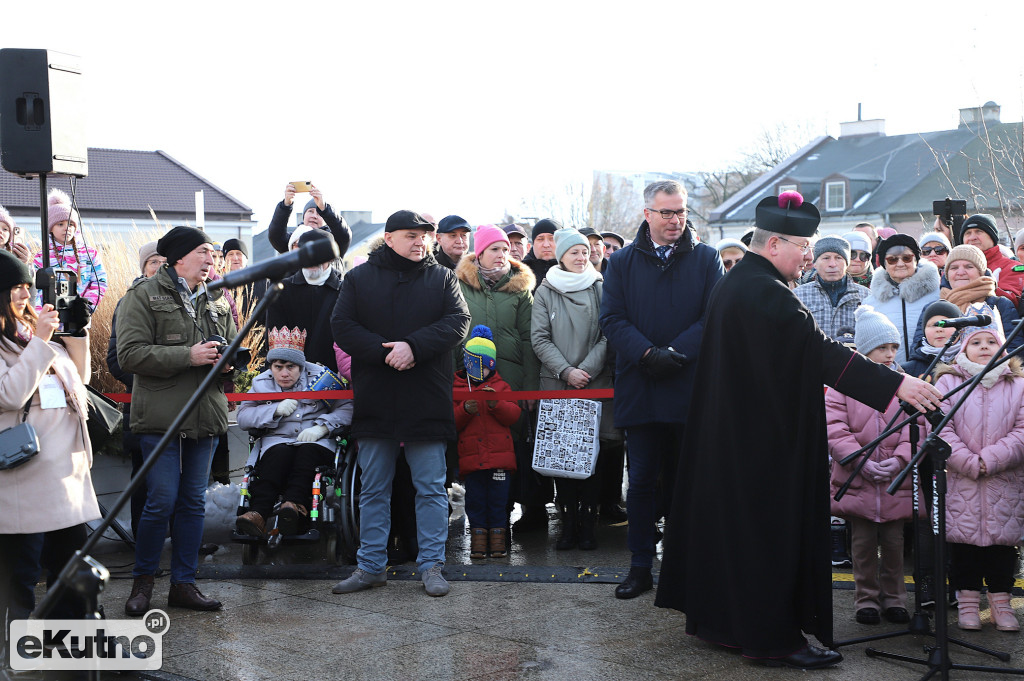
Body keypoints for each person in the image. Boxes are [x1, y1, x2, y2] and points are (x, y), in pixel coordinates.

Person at [655, 191, 943, 669]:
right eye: (803, 246)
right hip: (762, 445)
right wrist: (898, 385)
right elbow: (817, 350)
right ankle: (772, 640)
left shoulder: (741, 282)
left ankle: (729, 626)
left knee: (735, 537)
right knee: (767, 538)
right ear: (773, 245)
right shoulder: (763, 290)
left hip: (736, 439)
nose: (809, 256)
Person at [331, 210, 470, 598]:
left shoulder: (442, 277)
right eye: (411, 235)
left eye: (424, 236)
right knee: (374, 488)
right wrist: (384, 352)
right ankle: (371, 566)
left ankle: (432, 566)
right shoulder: (358, 278)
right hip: (378, 397)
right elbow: (341, 326)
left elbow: (459, 321)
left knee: (430, 488)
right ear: (389, 238)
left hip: (426, 396)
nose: (420, 242)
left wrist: (414, 347)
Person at [600, 179, 723, 598]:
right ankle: (639, 566)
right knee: (641, 482)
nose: (676, 220)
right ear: (648, 214)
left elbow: (713, 317)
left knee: (690, 481)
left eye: (682, 211)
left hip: (689, 385)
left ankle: (687, 563)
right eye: (667, 212)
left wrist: (676, 353)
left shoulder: (707, 260)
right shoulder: (621, 263)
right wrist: (649, 355)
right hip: (642, 384)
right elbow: (612, 319)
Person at [116, 226, 236, 616]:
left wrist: (229, 363)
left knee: (192, 504)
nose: (211, 258)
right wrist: (188, 356)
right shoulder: (142, 295)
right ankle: (143, 584)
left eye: (212, 252)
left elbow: (228, 344)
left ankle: (185, 584)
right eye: (204, 251)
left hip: (206, 414)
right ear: (180, 257)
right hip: (162, 418)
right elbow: (130, 355)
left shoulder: (217, 298)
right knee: (161, 500)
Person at [0, 250, 100, 637]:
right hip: (24, 474)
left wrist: (75, 334)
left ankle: (72, 644)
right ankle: (15, 646)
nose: (25, 295)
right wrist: (42, 340)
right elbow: (10, 395)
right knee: (17, 571)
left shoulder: (31, 330)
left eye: (27, 287)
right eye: (15, 288)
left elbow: (81, 379)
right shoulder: (30, 337)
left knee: (72, 564)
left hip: (64, 472)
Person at [934, 310, 1024, 632]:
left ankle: (1002, 603)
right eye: (977, 342)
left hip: (1005, 482)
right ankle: (968, 602)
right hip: (962, 481)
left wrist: (990, 460)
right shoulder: (948, 382)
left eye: (991, 341)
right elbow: (940, 429)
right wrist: (969, 462)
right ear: (963, 348)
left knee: (1002, 547)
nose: (985, 347)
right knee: (964, 548)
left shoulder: (1018, 385)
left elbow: (1022, 431)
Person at [828, 306, 914, 626]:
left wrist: (901, 458)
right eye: (882, 348)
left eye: (894, 347)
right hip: (859, 482)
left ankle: (895, 598)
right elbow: (834, 428)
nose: (890, 354)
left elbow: (915, 428)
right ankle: (866, 599)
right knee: (862, 547)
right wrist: (860, 460)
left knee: (894, 546)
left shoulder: (907, 383)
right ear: (865, 351)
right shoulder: (843, 387)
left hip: (895, 482)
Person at [453, 225, 542, 535]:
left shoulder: (520, 289)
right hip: (469, 382)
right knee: (477, 450)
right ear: (480, 253)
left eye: (505, 249)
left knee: (508, 451)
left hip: (511, 381)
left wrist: (530, 388)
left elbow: (531, 340)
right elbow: (454, 335)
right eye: (495, 249)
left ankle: (502, 522)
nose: (503, 255)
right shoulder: (461, 286)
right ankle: (480, 528)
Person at [532, 228, 617, 550]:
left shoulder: (601, 287)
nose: (582, 258)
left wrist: (586, 370)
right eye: (574, 253)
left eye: (585, 252)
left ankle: (588, 526)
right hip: (558, 384)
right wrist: (566, 371)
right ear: (562, 257)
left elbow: (609, 333)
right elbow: (539, 337)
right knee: (562, 460)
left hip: (594, 383)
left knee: (592, 459)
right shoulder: (545, 290)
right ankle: (567, 525)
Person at [235, 326, 353, 537]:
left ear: (301, 366)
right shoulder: (261, 383)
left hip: (316, 439)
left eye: (291, 367)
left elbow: (347, 407)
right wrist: (274, 410)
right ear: (271, 365)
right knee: (276, 459)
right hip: (277, 439)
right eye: (278, 367)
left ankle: (294, 506)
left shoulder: (322, 378)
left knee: (307, 456)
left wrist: (323, 426)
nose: (284, 373)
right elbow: (243, 417)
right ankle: (258, 514)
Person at [106, 241, 166, 535]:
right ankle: (143, 545)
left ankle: (182, 539)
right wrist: (154, 381)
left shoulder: (185, 300)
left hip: (181, 410)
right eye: (153, 262)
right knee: (144, 479)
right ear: (143, 267)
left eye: (165, 262)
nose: (159, 267)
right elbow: (116, 360)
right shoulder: (129, 301)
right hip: (142, 408)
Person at [453, 326, 521, 559]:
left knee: (499, 501)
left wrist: (496, 404)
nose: (477, 370)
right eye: (474, 364)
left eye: (482, 365)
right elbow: (451, 422)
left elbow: (514, 415)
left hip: (499, 460)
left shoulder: (501, 387)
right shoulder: (458, 387)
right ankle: (478, 544)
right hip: (472, 460)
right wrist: (464, 409)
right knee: (475, 502)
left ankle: (498, 542)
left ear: (491, 366)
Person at [267, 229, 343, 374]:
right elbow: (274, 341)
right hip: (290, 379)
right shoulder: (281, 289)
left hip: (334, 378)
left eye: (319, 254)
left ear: (331, 257)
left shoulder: (344, 291)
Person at [862, 233, 940, 363]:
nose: (900, 264)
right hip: (889, 374)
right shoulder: (871, 303)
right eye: (892, 259)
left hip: (929, 370)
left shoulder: (937, 294)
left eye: (906, 258)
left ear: (916, 260)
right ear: (884, 264)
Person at [933, 244, 1022, 354]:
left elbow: (1014, 350)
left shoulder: (999, 305)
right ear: (947, 274)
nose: (960, 272)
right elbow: (919, 349)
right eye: (954, 268)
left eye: (969, 267)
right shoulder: (934, 308)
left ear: (981, 273)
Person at [33, 188, 107, 311]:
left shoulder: (90, 253)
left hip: (80, 316)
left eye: (70, 224)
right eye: (60, 224)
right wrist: (42, 313)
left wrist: (86, 307)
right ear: (50, 228)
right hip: (51, 317)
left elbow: (100, 281)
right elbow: (36, 288)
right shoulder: (42, 256)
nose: (66, 228)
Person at [793, 236, 869, 340]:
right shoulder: (798, 296)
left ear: (847, 263)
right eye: (826, 258)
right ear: (814, 263)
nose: (832, 264)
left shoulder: (866, 296)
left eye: (838, 258)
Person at [266, 182, 352, 260]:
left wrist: (324, 208)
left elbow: (344, 234)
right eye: (310, 211)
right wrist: (286, 205)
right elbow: (275, 235)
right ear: (303, 216)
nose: (314, 216)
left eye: (319, 213)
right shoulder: (293, 240)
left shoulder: (333, 242)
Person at [959, 213, 1022, 306]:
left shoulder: (1012, 268)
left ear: (992, 237)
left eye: (979, 231)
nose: (972, 237)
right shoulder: (954, 269)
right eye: (968, 233)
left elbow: (1012, 301)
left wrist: (988, 286)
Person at [522, 218, 560, 290]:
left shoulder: (572, 271)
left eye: (552, 238)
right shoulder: (520, 273)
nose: (546, 245)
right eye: (540, 239)